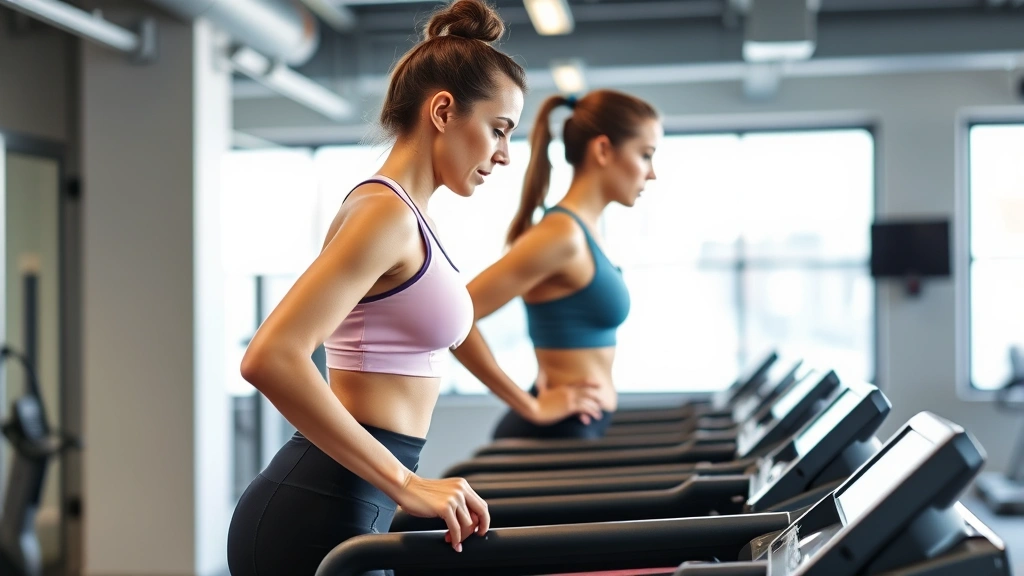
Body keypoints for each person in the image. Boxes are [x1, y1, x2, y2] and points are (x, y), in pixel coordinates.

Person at [226, 2, 601, 574]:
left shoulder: (410, 217)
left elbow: (456, 325)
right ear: (444, 111)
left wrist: (530, 402)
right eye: (498, 130)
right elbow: (270, 357)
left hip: (355, 500)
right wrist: (406, 482)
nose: (504, 155)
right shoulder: (385, 215)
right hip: (316, 508)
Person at [452, 89, 663, 440]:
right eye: (645, 155)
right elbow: (455, 315)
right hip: (559, 431)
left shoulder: (586, 231)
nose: (651, 173)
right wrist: (529, 405)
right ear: (603, 150)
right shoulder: (562, 236)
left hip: (584, 423)